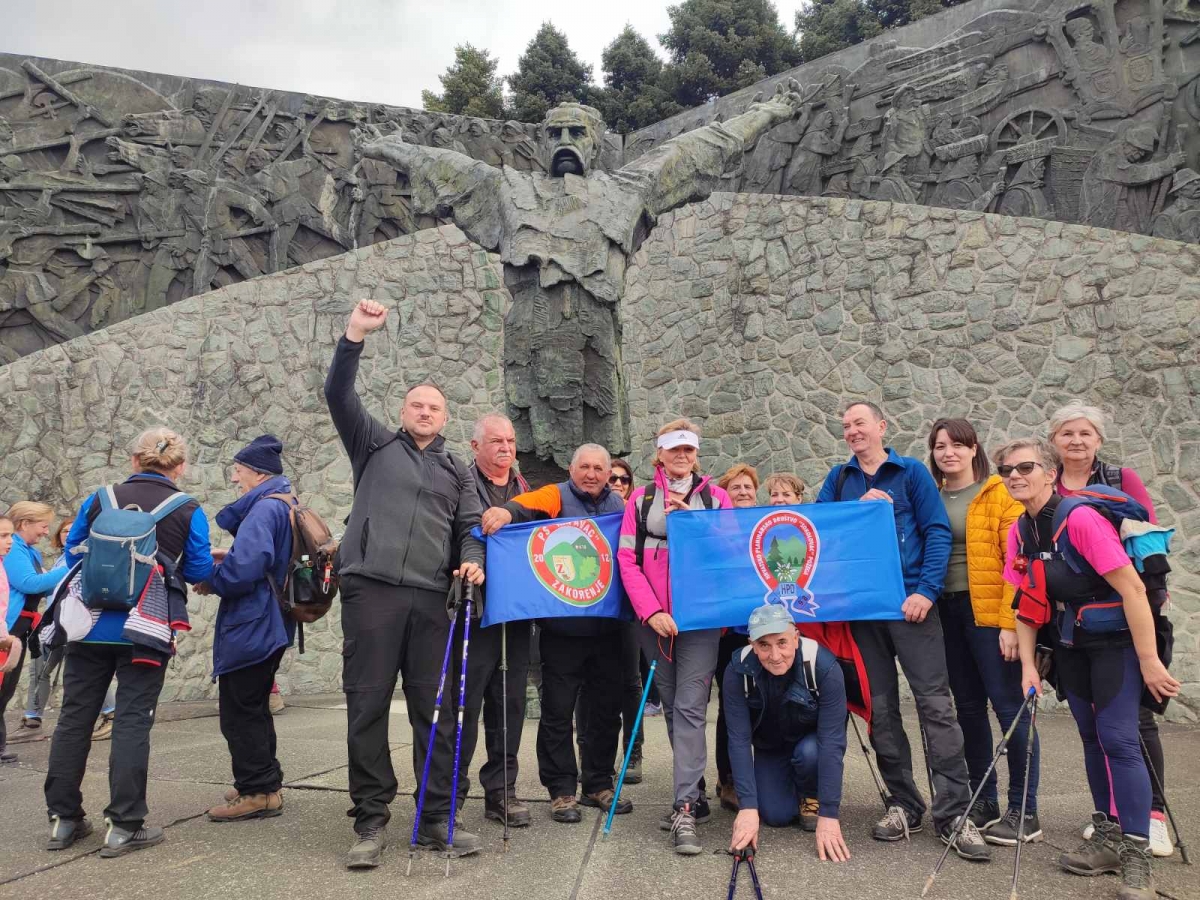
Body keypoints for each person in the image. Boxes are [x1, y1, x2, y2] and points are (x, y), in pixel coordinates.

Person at [324, 298, 486, 869]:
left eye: (434, 406)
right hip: (370, 593)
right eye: (417, 404)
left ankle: (435, 818)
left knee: (436, 712)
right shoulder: (372, 444)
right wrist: (354, 335)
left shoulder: (457, 471)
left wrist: (473, 559)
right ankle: (370, 821)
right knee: (366, 707)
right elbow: (338, 395)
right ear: (404, 410)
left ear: (445, 418)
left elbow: (470, 529)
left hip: (431, 601)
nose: (424, 411)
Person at [1000, 438, 1179, 900]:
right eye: (1006, 470)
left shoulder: (1078, 519)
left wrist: (1150, 661)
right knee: (1089, 738)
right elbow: (1025, 605)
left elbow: (1134, 591)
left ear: (1047, 470)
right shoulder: (1019, 531)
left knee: (1119, 738)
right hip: (1071, 645)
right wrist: (1028, 669)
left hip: (1117, 644)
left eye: (1025, 467)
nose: (1015, 476)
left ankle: (1137, 855)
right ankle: (1108, 837)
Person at [816, 401, 989, 861]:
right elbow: (820, 533)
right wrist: (856, 511)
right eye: (846, 424)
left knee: (936, 706)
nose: (853, 430)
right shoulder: (839, 480)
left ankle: (953, 812)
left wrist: (927, 592)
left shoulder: (911, 472)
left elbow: (936, 532)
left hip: (912, 606)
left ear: (880, 427)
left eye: (860, 422)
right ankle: (903, 803)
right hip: (864, 612)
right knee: (882, 710)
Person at [47, 428, 215, 857]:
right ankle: (125, 825)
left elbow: (72, 553)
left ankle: (64, 820)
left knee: (75, 717)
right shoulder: (187, 508)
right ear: (180, 467)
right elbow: (197, 569)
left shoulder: (101, 497)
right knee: (132, 720)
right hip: (148, 627)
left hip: (89, 624)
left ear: (134, 461)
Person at [1048, 400, 1172, 857]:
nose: (1076, 441)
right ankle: (1113, 819)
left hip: (1126, 616)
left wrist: (1154, 606)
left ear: (1098, 440)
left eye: (1085, 434)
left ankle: (1152, 816)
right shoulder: (1048, 487)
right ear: (1054, 442)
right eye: (1067, 434)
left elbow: (1150, 543)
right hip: (1075, 626)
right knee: (1094, 727)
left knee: (1133, 721)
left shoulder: (1121, 481)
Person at [481, 444, 629, 824]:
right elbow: (525, 504)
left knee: (605, 712)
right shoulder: (556, 495)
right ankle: (562, 789)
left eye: (599, 468)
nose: (592, 474)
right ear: (571, 468)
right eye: (585, 467)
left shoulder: (621, 508)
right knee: (558, 713)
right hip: (562, 630)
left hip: (610, 629)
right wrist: (504, 512)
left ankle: (598, 782)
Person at [617, 419, 733, 855]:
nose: (681, 456)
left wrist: (699, 524)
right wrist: (652, 611)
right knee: (671, 708)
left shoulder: (715, 498)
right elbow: (627, 559)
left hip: (700, 622)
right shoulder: (643, 500)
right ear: (660, 453)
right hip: (657, 623)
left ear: (696, 454)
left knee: (688, 707)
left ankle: (684, 807)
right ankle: (695, 793)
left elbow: (730, 553)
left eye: (688, 449)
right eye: (674, 449)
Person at [928, 418, 1040, 845]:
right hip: (948, 613)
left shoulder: (997, 493)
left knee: (1010, 710)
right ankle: (985, 798)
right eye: (940, 446)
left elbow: (1018, 562)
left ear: (974, 449)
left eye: (957, 444)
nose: (948, 453)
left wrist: (1011, 623)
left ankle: (1024, 809)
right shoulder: (934, 498)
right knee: (969, 711)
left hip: (990, 617)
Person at [202, 436, 295, 823]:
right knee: (255, 704)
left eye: (239, 470)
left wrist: (214, 576)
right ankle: (263, 782)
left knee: (239, 709)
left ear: (258, 473)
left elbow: (246, 570)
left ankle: (257, 791)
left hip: (254, 621)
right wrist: (234, 556)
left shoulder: (261, 510)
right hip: (274, 619)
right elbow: (266, 558)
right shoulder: (285, 502)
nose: (236, 477)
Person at [455, 413, 534, 829]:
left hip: (516, 614)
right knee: (464, 704)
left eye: (510, 441)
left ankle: (501, 790)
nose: (506, 448)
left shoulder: (527, 490)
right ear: (475, 447)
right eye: (496, 441)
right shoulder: (460, 484)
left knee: (510, 705)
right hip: (474, 610)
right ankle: (451, 793)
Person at [726, 604, 851, 863]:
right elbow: (738, 739)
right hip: (770, 746)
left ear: (796, 637)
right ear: (752, 643)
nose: (775, 655)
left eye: (782, 642)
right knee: (775, 816)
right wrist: (748, 807)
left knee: (810, 753)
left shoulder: (823, 666)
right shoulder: (737, 669)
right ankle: (788, 787)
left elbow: (832, 742)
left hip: (811, 744)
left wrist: (829, 815)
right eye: (764, 645)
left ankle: (811, 793)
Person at [577, 456, 646, 785]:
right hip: (594, 606)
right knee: (587, 685)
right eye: (612, 478)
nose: (617, 482)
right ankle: (584, 748)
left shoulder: (637, 512)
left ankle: (633, 750)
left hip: (629, 605)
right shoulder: (597, 511)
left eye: (624, 478)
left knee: (631, 681)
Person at [713, 463, 761, 813]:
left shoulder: (767, 524)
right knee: (732, 708)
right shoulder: (714, 530)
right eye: (735, 488)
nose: (743, 492)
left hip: (764, 631)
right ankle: (728, 778)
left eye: (748, 487)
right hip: (728, 633)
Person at [1, 502, 62, 764]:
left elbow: (42, 588)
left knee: (6, 688)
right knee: (3, 688)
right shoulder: (15, 550)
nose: (46, 532)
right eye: (43, 525)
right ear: (25, 523)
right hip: (10, 627)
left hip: (20, 628)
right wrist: (68, 570)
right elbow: (28, 583)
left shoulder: (30, 552)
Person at [22, 518, 73, 731]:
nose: (68, 535)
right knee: (40, 669)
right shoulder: (63, 559)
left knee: (76, 671)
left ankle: (109, 712)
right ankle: (33, 717)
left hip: (70, 623)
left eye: (72, 531)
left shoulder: (79, 558)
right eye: (64, 531)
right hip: (53, 622)